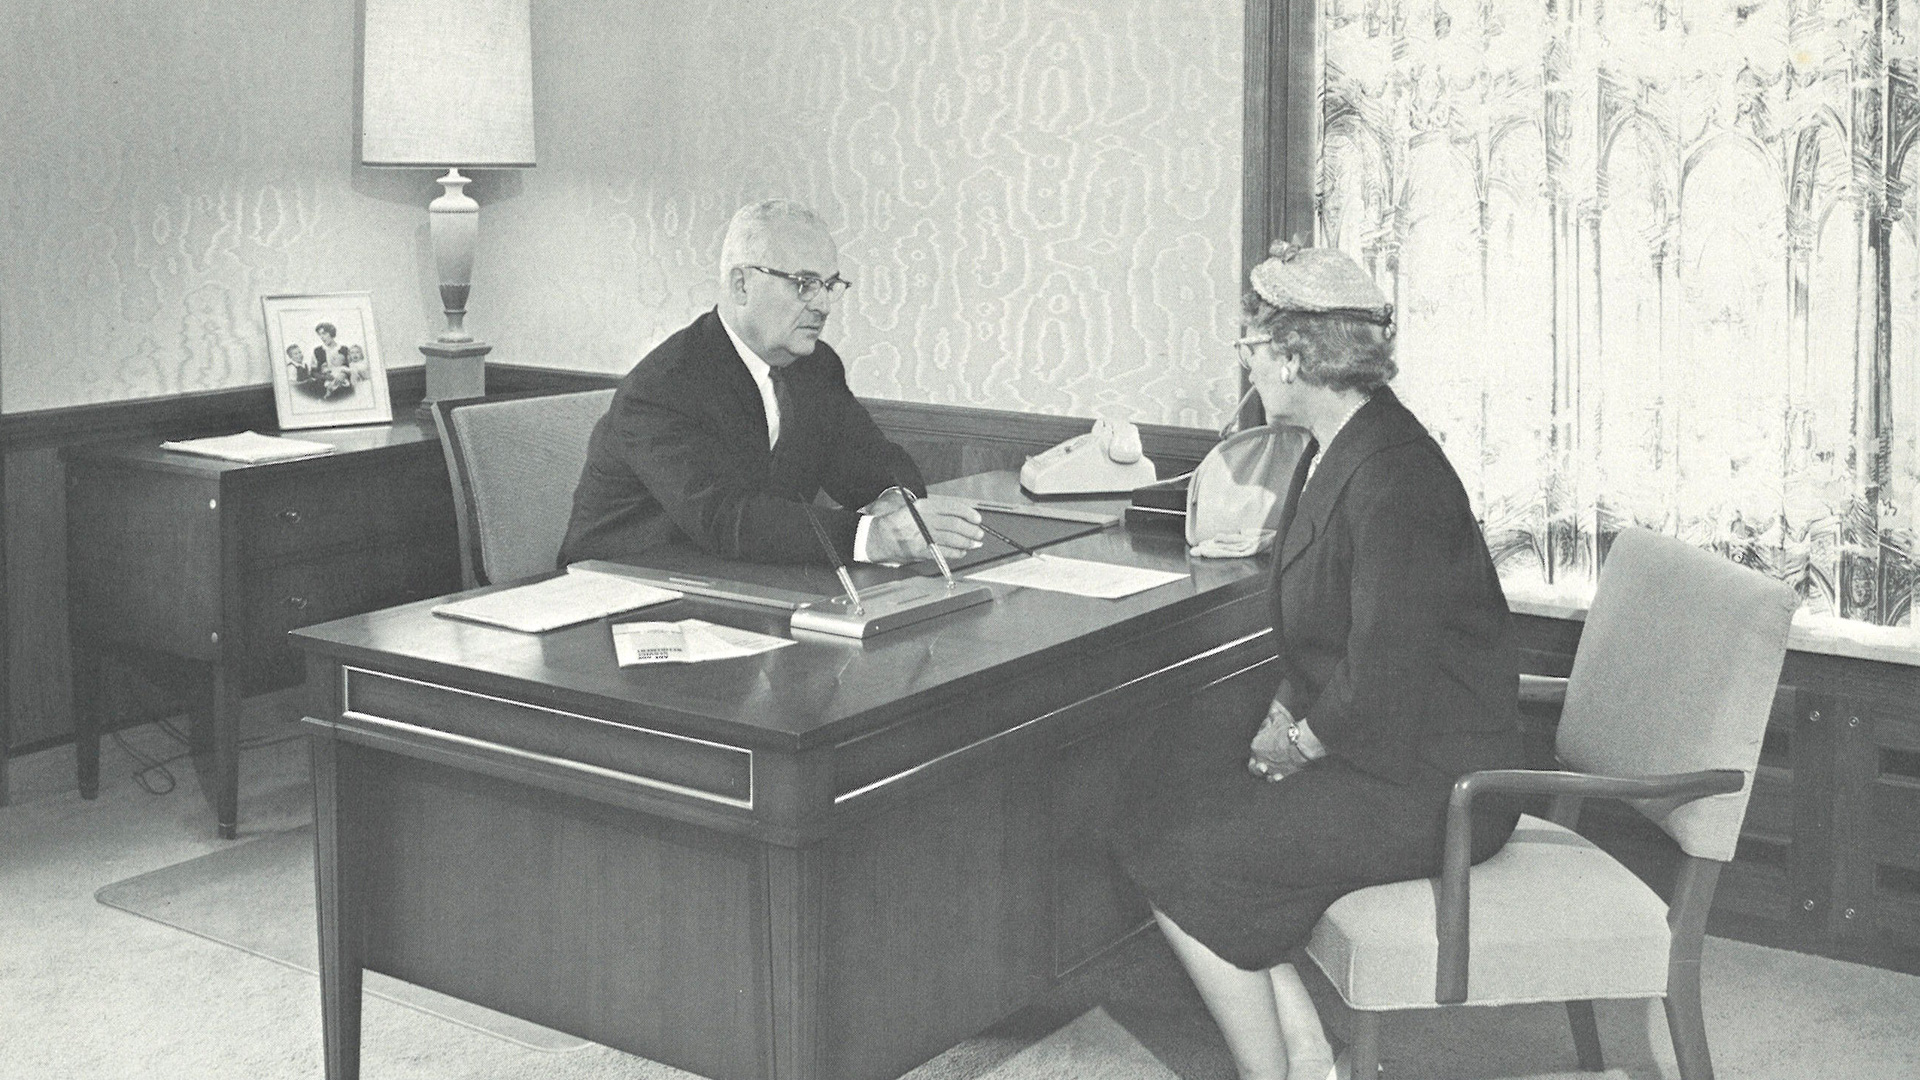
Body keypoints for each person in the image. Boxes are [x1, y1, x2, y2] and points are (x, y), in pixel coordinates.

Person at [1109, 242, 1524, 1080]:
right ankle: (1306, 1059)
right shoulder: (1344, 446)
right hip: (1390, 751)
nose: (1248, 366)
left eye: (1252, 349)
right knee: (1164, 814)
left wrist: (1296, 745)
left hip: (1438, 783)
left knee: (1186, 855)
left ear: (1295, 357)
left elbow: (1385, 675)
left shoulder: (1395, 476)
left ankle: (1275, 1074)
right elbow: (1332, 636)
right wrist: (1285, 716)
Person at [559, 200, 983, 567]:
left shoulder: (814, 367)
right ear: (741, 284)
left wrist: (894, 499)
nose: (824, 304)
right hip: (621, 596)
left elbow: (873, 460)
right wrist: (871, 537)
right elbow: (724, 518)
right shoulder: (663, 387)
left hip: (744, 581)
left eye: (830, 285)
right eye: (804, 284)